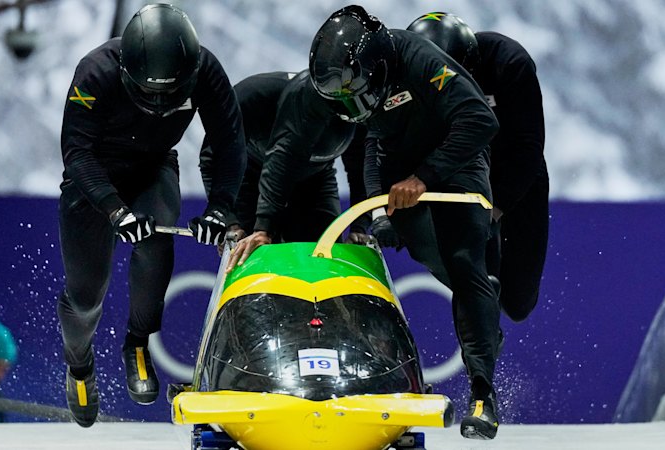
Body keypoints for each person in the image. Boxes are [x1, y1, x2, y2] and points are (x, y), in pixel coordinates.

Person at [308, 5, 502, 440]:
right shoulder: (358, 85)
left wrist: (424, 177)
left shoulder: (421, 61)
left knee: (464, 259)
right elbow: (374, 143)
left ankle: (482, 395)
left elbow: (480, 120)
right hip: (404, 167)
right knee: (432, 255)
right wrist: (379, 211)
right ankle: (485, 308)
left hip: (458, 160)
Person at [58, 3, 245, 427]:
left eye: (170, 93)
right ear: (127, 71)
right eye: (149, 93)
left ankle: (137, 343)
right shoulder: (95, 73)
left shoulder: (207, 70)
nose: (160, 104)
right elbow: (77, 153)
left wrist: (219, 209)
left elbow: (231, 146)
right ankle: (80, 367)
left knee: (155, 238)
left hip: (153, 166)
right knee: (85, 297)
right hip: (95, 177)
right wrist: (115, 210)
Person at [407, 12, 549, 323]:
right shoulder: (405, 71)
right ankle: (483, 356)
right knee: (478, 285)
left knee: (518, 301)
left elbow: (529, 147)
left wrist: (496, 208)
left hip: (515, 171)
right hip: (460, 172)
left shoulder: (509, 63)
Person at [224, 69, 367, 269]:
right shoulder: (249, 99)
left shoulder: (355, 110)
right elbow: (215, 158)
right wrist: (230, 221)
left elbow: (360, 171)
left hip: (315, 180)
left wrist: (360, 226)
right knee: (249, 254)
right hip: (250, 177)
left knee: (324, 262)